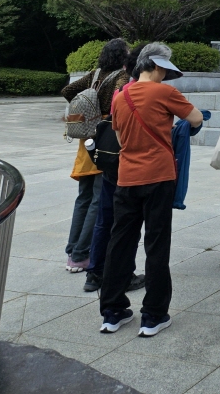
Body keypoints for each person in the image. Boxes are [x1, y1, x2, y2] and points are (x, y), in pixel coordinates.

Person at [99, 43, 203, 337]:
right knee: (156, 245)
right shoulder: (165, 93)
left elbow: (119, 138)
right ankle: (153, 315)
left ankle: (112, 311)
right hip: (158, 177)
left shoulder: (120, 97)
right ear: (156, 66)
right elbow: (195, 119)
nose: (166, 76)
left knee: (120, 243)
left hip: (126, 178)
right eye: (165, 70)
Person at [61, 38, 130, 273]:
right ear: (123, 56)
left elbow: (68, 90)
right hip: (104, 139)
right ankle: (81, 254)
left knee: (83, 197)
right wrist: (102, 114)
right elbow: (119, 102)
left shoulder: (95, 73)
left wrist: (86, 111)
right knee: (98, 200)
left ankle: (72, 252)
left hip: (85, 140)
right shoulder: (121, 77)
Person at [84, 43, 147, 293]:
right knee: (126, 224)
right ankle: (124, 274)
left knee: (104, 218)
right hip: (129, 162)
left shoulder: (105, 78)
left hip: (108, 156)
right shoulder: (136, 88)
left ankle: (95, 272)